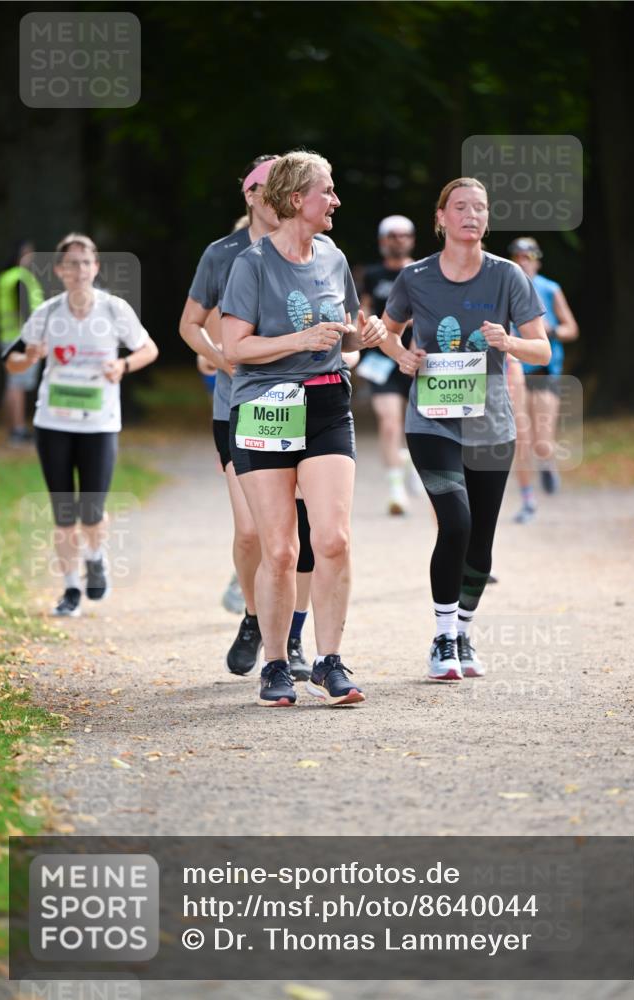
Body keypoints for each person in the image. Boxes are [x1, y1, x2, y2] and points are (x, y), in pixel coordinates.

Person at [222, 150, 386, 707]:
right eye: (328, 191)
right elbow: (234, 347)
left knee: (334, 538)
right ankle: (274, 665)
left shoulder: (334, 256)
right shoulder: (251, 264)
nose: (336, 200)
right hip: (265, 407)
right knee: (281, 550)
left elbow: (341, 334)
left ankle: (330, 662)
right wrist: (300, 340)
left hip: (324, 407)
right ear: (297, 200)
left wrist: (362, 337)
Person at [379, 178, 550, 681]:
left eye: (480, 208)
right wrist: (404, 356)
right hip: (432, 420)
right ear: (441, 218)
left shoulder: (508, 277)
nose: (471, 215)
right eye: (460, 207)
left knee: (481, 539)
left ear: (487, 220)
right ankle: (441, 635)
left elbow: (540, 349)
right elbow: (386, 332)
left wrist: (510, 342)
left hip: (491, 423)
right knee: (455, 522)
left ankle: (465, 634)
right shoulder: (415, 277)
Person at [180, 156, 316, 681]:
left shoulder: (313, 249)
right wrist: (223, 359)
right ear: (252, 196)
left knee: (299, 533)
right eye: (264, 185)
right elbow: (190, 324)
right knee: (249, 533)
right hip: (239, 407)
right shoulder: (224, 254)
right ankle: (255, 618)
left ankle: (296, 638)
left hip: (305, 406)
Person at [3, 233, 158, 616]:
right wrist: (30, 357)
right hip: (53, 422)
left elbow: (149, 349)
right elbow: (12, 362)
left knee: (92, 510)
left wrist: (122, 366)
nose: (78, 270)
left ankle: (95, 555)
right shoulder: (49, 313)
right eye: (70, 263)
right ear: (59, 270)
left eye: (85, 262)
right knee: (64, 513)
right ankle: (70, 589)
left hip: (100, 423)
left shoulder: (113, 309)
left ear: (96, 268)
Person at [508, 237, 579, 522]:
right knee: (520, 438)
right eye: (518, 256)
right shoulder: (506, 288)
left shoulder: (550, 288)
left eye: (529, 256)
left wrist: (553, 331)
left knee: (541, 441)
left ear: (537, 259)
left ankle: (547, 462)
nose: (524, 260)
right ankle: (527, 499)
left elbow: (571, 328)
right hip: (514, 370)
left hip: (545, 370)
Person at [357, 216, 419, 514]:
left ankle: (412, 461)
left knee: (418, 424)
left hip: (418, 357)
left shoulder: (423, 271)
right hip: (382, 358)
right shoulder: (372, 274)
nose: (399, 240)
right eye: (393, 235)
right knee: (390, 421)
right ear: (383, 240)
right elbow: (365, 309)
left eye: (405, 235)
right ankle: (396, 489)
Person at [0, 239, 45, 445]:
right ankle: (16, 429)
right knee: (16, 384)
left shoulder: (6, 277)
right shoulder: (19, 278)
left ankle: (16, 428)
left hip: (8, 336)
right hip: (20, 337)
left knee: (14, 384)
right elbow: (24, 309)